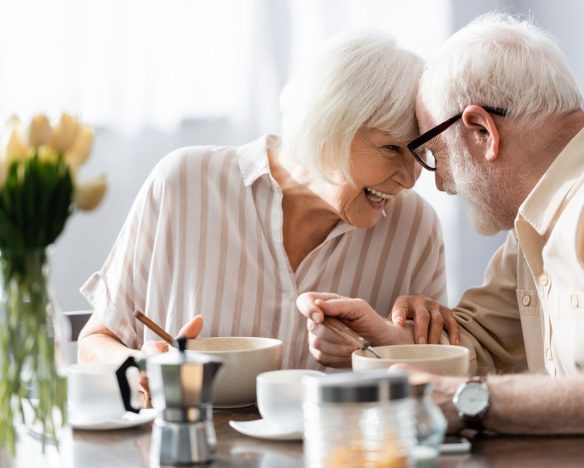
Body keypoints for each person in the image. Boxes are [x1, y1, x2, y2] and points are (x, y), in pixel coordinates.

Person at [298, 13, 584, 436]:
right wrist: (386, 336)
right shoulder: (539, 219)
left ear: (482, 131)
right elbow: (481, 344)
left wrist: (472, 401)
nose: (439, 182)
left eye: (434, 154)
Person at [77, 29, 453, 388]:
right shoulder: (183, 183)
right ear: (328, 127)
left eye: (420, 153)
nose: (409, 178)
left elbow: (441, 389)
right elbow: (95, 342)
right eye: (392, 149)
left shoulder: (415, 228)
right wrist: (141, 369)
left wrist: (385, 350)